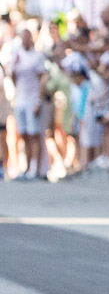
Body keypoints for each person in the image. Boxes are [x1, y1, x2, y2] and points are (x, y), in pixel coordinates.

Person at [7, 27, 48, 180]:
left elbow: (42, 79)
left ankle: (35, 168)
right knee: (23, 134)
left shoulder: (37, 56)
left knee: (34, 134)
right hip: (20, 99)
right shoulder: (16, 54)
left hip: (32, 98)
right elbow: (13, 77)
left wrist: (38, 100)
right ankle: (26, 166)